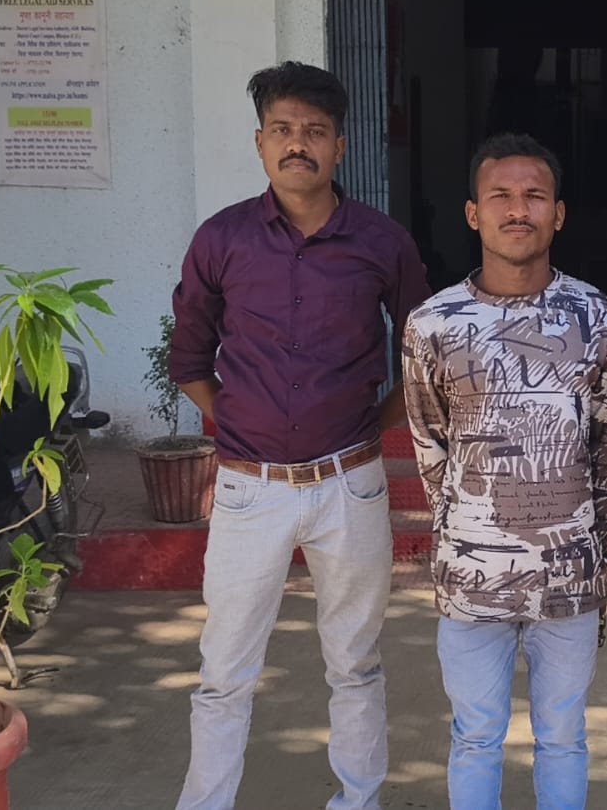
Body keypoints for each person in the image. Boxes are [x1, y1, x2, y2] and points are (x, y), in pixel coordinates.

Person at [167, 61, 430, 810]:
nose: (297, 145)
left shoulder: (382, 241)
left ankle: (359, 800)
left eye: (314, 132)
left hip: (350, 484)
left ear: (339, 147)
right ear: (259, 143)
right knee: (224, 669)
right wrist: (236, 423)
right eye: (282, 130)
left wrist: (372, 427)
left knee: (355, 662)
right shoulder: (222, 239)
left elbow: (423, 357)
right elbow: (189, 359)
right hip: (249, 490)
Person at [402, 133, 607, 810]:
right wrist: (462, 531)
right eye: (499, 195)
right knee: (475, 736)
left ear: (557, 214)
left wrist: (594, 548)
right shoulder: (432, 323)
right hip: (471, 576)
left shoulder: (597, 318)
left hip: (569, 574)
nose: (516, 209)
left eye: (534, 196)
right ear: (472, 213)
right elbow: (430, 443)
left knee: (562, 735)